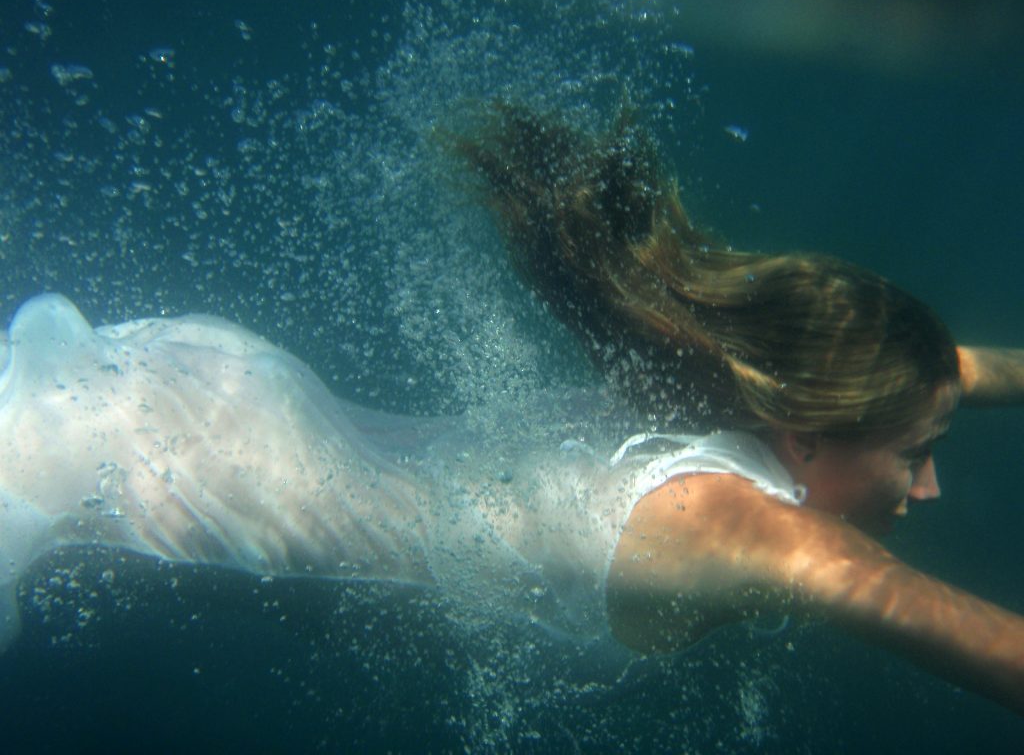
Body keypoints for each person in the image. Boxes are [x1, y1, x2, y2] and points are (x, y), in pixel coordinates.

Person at [0, 106, 1021, 720]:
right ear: (804, 433)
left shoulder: (745, 375)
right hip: (165, 482)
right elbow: (969, 638)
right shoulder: (745, 528)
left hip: (217, 394)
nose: (930, 485)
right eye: (918, 456)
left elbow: (942, 376)